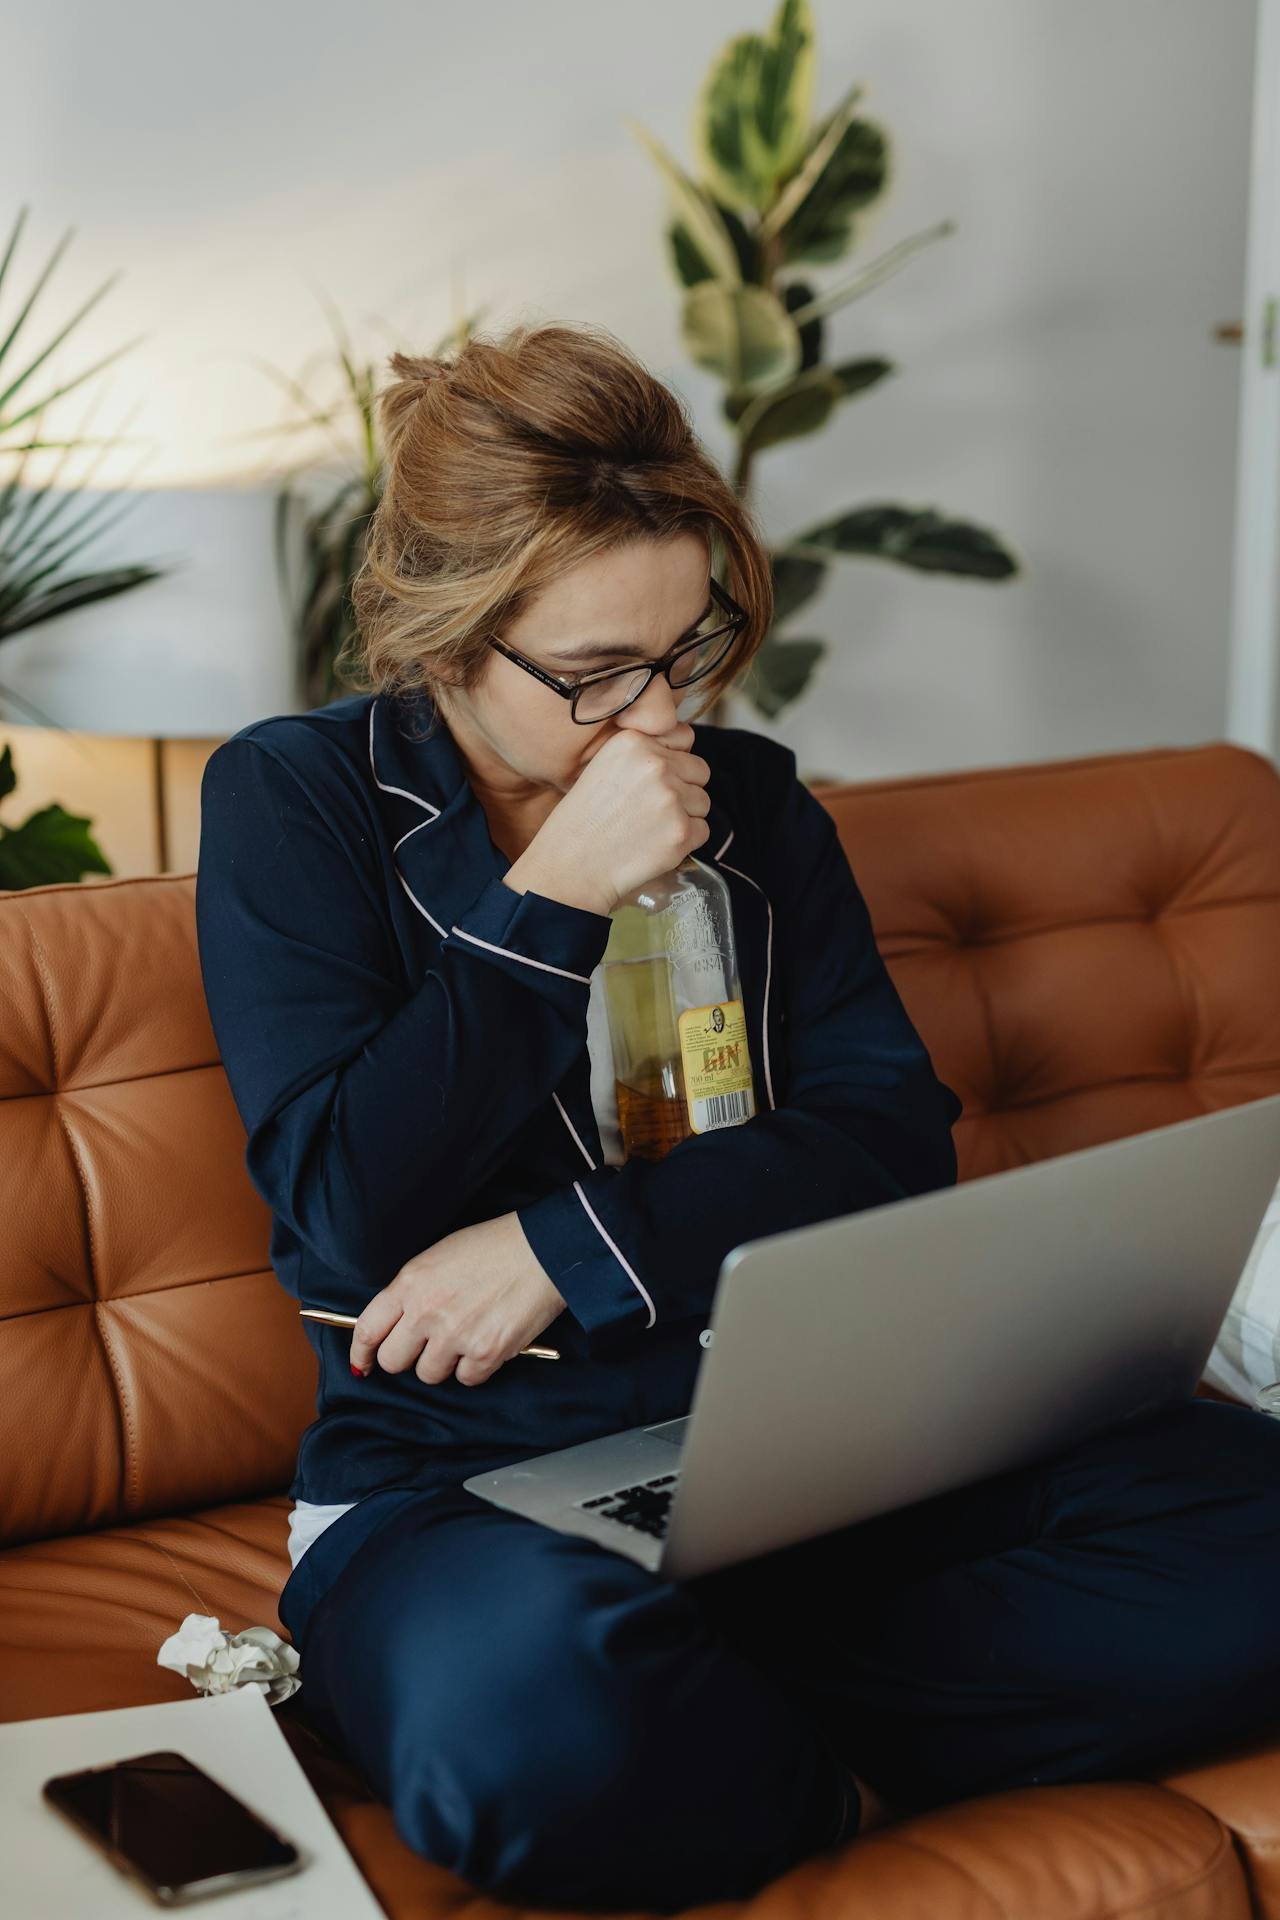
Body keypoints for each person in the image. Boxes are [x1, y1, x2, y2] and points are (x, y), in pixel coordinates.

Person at [195, 321, 1280, 1914]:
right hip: (465, 1476)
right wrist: (552, 893)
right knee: (528, 1725)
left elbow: (885, 1131)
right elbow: (348, 1200)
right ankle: (735, 1722)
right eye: (593, 675)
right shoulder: (296, 800)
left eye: (690, 651)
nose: (656, 722)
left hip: (815, 1441)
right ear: (443, 643)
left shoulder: (755, 800)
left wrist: (567, 1244)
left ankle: (742, 1743)